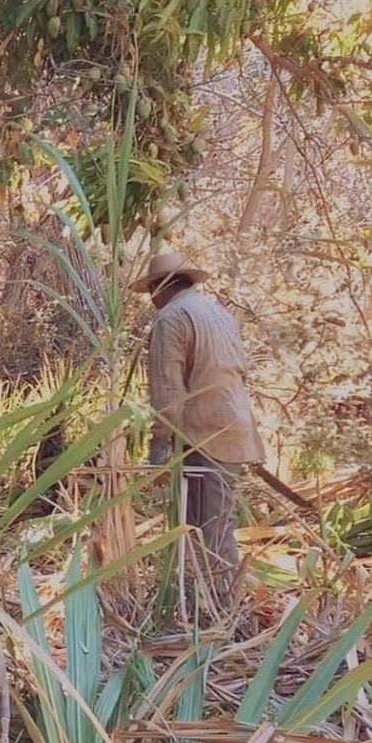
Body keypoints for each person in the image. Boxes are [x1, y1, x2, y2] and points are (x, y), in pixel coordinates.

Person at [138, 252, 266, 598]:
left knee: (203, 528)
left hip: (202, 434)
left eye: (152, 291)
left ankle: (216, 608)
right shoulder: (218, 313)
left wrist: (158, 447)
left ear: (159, 288)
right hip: (233, 428)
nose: (151, 300)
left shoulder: (172, 317)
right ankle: (211, 603)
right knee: (217, 522)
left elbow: (169, 391)